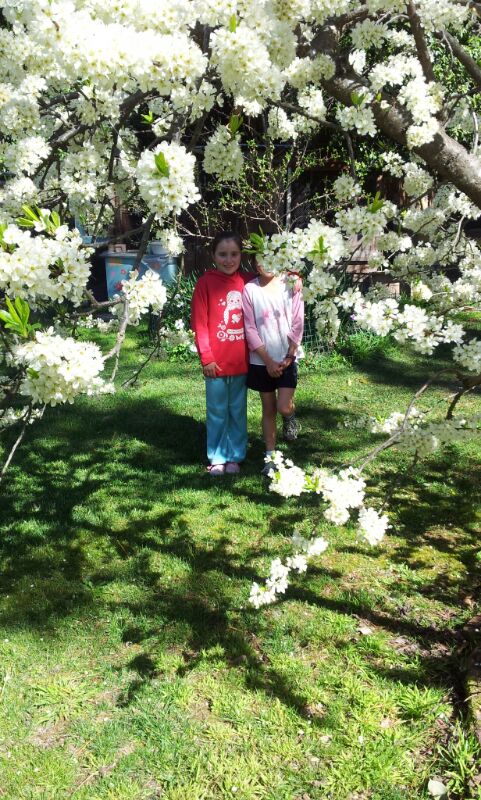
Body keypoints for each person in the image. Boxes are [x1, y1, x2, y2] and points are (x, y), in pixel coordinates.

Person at [191, 232, 252, 475]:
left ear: (241, 255)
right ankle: (217, 457)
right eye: (222, 254)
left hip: (241, 362)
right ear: (213, 256)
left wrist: (295, 277)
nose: (228, 260)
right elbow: (200, 323)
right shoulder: (205, 283)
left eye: (234, 254)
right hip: (215, 364)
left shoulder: (248, 281)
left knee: (237, 411)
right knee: (217, 411)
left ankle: (235, 455)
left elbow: (276, 277)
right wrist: (207, 357)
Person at [242, 259, 304, 475]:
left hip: (287, 356)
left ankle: (290, 418)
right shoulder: (250, 290)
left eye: (271, 257)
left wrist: (290, 354)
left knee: (283, 406)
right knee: (268, 409)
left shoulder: (291, 283)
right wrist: (267, 360)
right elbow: (249, 328)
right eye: (260, 260)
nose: (265, 264)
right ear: (255, 264)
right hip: (261, 361)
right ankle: (270, 457)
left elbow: (298, 321)